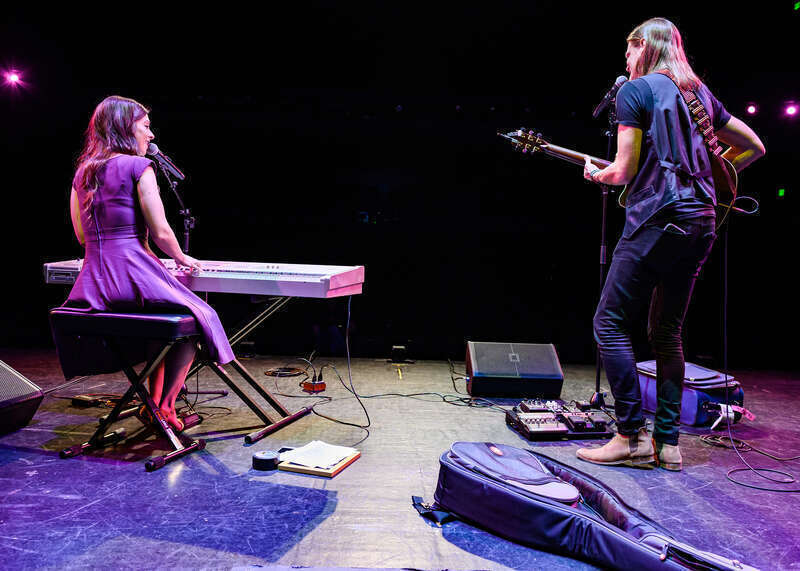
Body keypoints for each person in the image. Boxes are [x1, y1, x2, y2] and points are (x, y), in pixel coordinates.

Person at [576, 18, 764, 470]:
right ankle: (669, 445)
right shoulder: (697, 93)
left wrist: (596, 173)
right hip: (701, 221)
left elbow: (621, 170)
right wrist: (711, 173)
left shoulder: (634, 92)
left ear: (643, 46)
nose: (625, 59)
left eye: (628, 49)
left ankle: (630, 436)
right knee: (667, 332)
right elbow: (754, 147)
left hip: (657, 218)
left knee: (609, 324)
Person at [58, 95, 235, 432]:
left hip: (93, 283)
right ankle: (166, 408)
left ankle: (150, 405)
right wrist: (183, 258)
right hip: (133, 272)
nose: (151, 135)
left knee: (159, 324)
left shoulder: (82, 174)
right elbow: (161, 231)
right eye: (146, 127)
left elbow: (82, 236)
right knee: (198, 317)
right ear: (127, 129)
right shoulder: (140, 167)